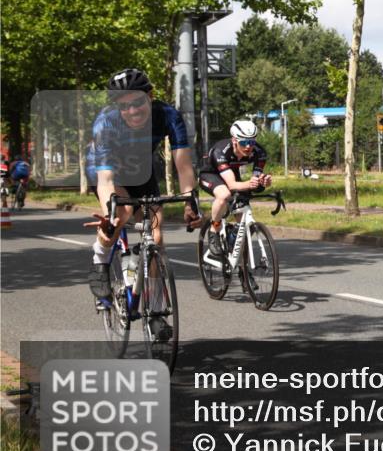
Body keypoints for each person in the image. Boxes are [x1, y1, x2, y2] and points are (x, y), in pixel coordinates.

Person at [84, 68, 201, 340]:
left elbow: (183, 166)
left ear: (151, 96)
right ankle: (99, 261)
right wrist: (110, 210)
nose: (132, 111)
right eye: (124, 106)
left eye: (137, 102)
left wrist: (190, 202)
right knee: (121, 213)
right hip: (107, 172)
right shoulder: (106, 123)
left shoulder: (168, 115)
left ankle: (157, 311)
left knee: (156, 236)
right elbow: (105, 180)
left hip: (143, 172)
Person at [198, 119, 272, 256]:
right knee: (224, 195)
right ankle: (214, 231)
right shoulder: (220, 151)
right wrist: (249, 184)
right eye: (244, 142)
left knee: (241, 222)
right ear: (234, 140)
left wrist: (263, 182)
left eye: (252, 142)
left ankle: (241, 266)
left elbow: (255, 178)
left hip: (231, 172)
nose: (249, 146)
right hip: (211, 174)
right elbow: (231, 184)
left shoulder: (259, 152)